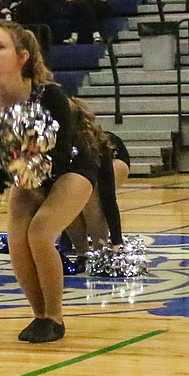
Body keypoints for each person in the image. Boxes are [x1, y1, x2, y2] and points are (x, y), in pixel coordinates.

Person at [0, 21, 99, 343]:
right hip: (27, 175)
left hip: (72, 168)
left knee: (40, 232)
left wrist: (26, 172)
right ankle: (38, 315)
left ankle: (55, 317)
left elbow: (60, 150)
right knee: (16, 239)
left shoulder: (50, 95)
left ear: (22, 56)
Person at [62, 100, 131, 265]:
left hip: (116, 159)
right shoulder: (52, 143)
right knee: (67, 197)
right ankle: (82, 255)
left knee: (92, 199)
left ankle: (101, 251)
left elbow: (108, 198)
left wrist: (117, 241)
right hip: (83, 165)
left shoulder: (96, 145)